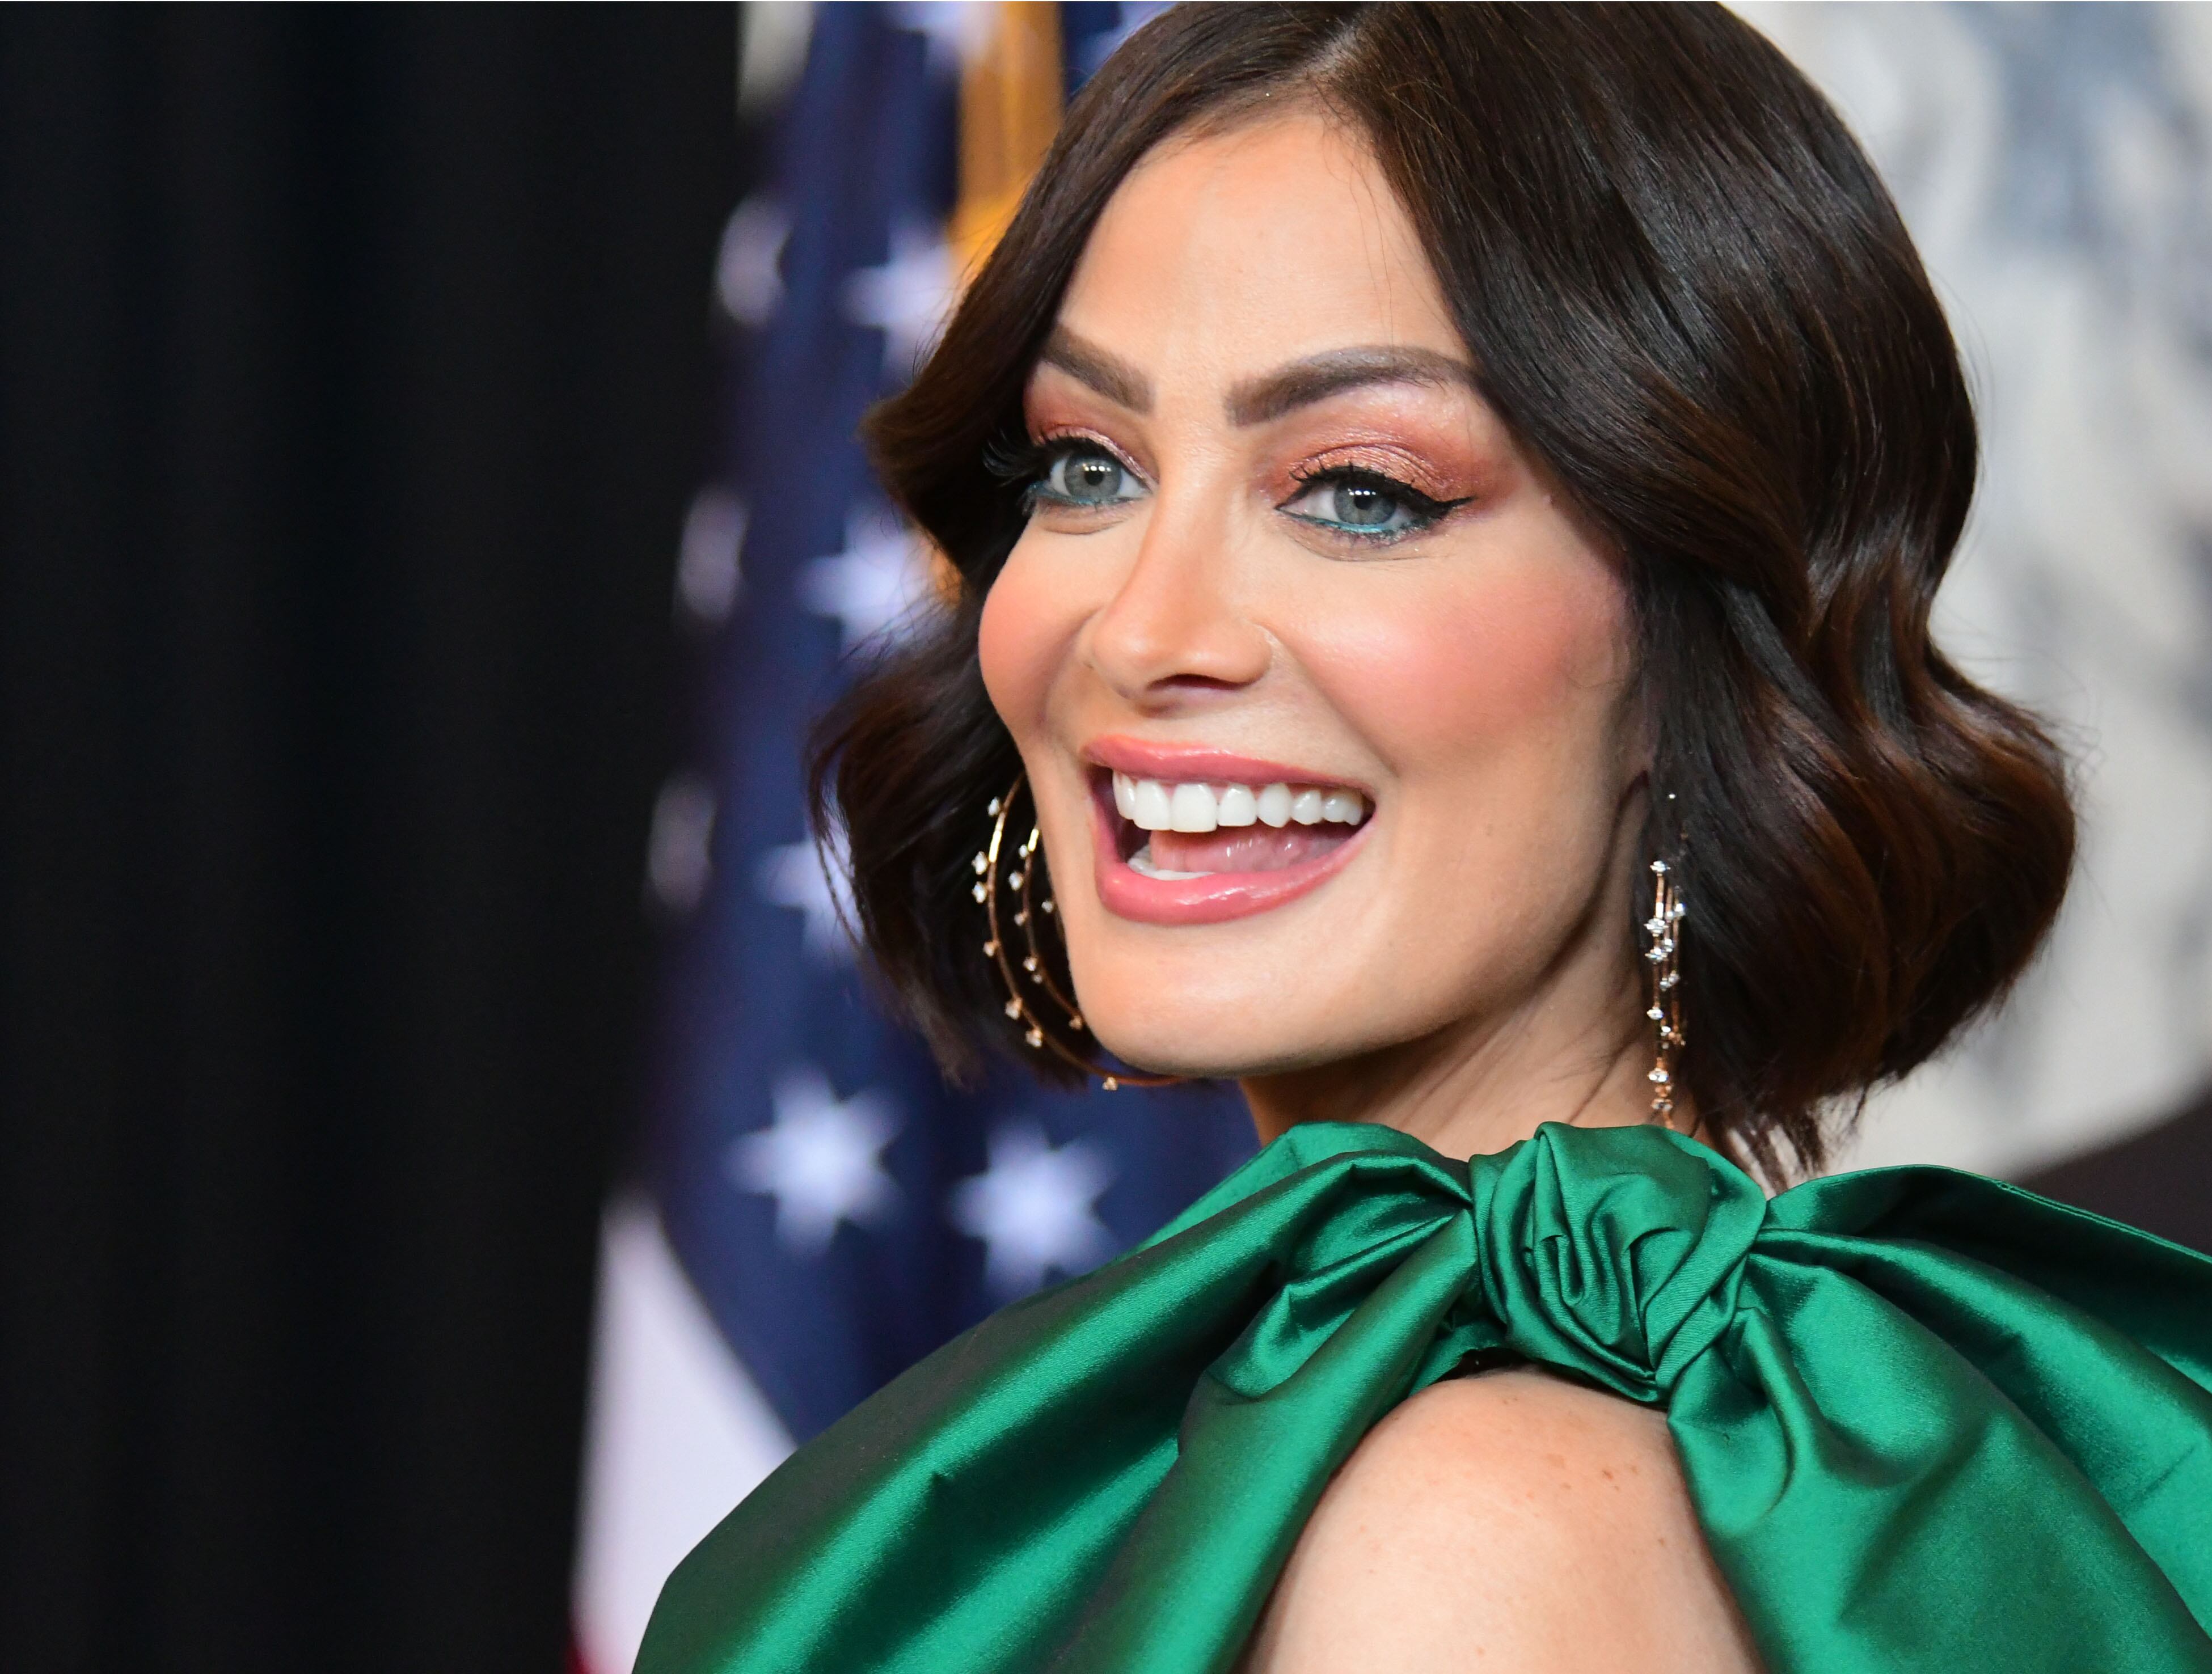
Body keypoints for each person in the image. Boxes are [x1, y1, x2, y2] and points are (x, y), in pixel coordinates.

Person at [639, 6, 2212, 1670]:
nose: (1141, 630)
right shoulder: (1517, 1449)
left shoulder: (1472, 1525)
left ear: (1695, 641)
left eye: (1361, 492)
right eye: (1085, 466)